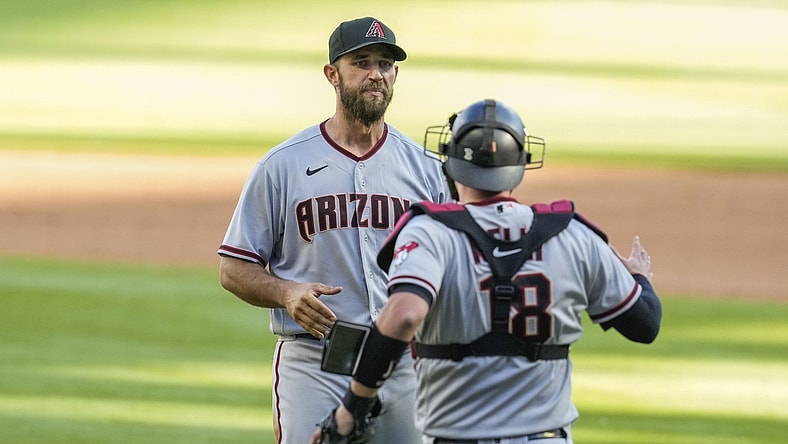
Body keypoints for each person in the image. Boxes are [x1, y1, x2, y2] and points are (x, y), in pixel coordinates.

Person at [312, 99, 662, 444]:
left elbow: (404, 315)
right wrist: (639, 278)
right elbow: (645, 324)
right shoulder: (573, 235)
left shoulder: (430, 233)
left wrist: (353, 408)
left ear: (451, 161)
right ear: (521, 163)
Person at [217, 16, 448, 443]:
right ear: (332, 74)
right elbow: (233, 267)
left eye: (385, 64)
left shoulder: (428, 171)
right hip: (314, 360)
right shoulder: (282, 166)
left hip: (405, 364)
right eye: (361, 62)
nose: (375, 74)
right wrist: (285, 292)